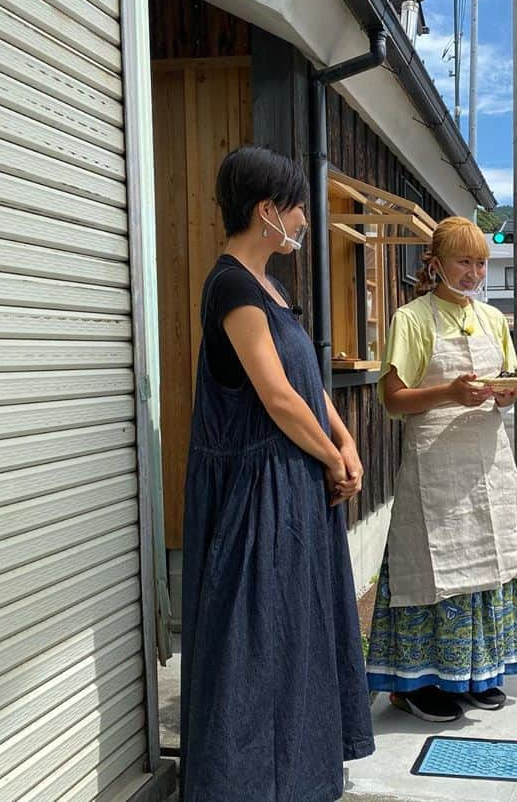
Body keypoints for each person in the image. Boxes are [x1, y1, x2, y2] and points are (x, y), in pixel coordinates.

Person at [180, 146, 373, 801]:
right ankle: (242, 785)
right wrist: (330, 455)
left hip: (292, 483)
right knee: (255, 639)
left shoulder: (272, 287)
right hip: (256, 492)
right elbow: (275, 394)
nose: (303, 221)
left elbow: (307, 385)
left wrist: (343, 442)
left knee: (298, 631)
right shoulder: (231, 284)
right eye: (297, 209)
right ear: (268, 211)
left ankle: (300, 774)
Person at [365, 216, 517, 723]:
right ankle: (416, 684)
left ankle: (478, 675)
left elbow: (503, 384)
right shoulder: (412, 318)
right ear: (436, 263)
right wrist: (450, 392)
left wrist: (507, 396)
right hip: (435, 467)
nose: (474, 272)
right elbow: (393, 399)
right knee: (432, 569)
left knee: (489, 562)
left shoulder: (491, 319)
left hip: (487, 462)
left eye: (481, 262)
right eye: (464, 261)